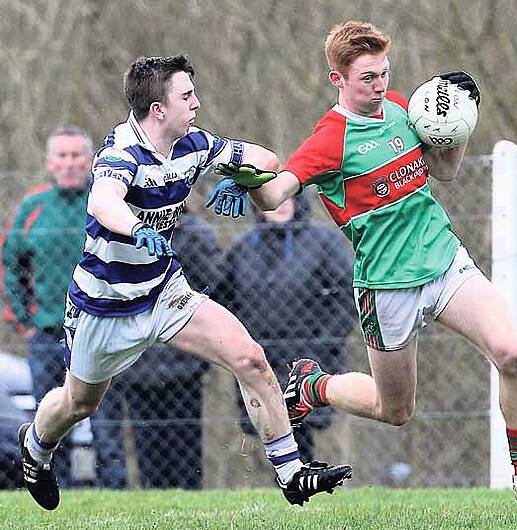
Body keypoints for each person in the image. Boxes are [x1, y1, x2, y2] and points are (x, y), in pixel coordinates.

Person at [209, 21, 517, 513]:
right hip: (387, 286)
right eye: (367, 78)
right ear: (337, 79)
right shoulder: (328, 141)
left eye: (384, 73)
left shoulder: (404, 108)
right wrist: (244, 174)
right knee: (394, 409)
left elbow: (445, 169)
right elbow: (274, 194)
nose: (380, 86)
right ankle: (316, 387)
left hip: (442, 260)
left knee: (510, 352)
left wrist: (463, 117)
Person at [16, 54, 351, 511]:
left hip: (164, 293)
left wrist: (241, 178)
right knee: (79, 404)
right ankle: (35, 449)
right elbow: (102, 203)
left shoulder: (193, 143)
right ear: (158, 109)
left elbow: (265, 158)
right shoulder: (120, 152)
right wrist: (135, 228)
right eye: (187, 95)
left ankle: (292, 475)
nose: (197, 102)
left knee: (250, 358)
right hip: (105, 306)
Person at [217, 193, 356, 462]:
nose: (280, 207)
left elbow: (345, 296)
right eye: (272, 201)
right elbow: (226, 300)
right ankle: (290, 481)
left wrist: (325, 340)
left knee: (304, 425)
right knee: (271, 427)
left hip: (311, 356)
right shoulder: (243, 247)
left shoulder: (324, 242)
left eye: (286, 199)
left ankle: (309, 480)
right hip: (259, 357)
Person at [91, 207, 218, 489]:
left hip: (183, 361)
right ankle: (154, 496)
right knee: (146, 445)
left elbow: (211, 285)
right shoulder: (115, 235)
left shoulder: (194, 234)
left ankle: (189, 497)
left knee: (185, 443)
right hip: (137, 360)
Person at [2, 126, 93, 487]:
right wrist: (26, 321)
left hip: (97, 330)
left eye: (76, 156)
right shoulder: (33, 208)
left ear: (89, 161)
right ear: (50, 162)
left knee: (104, 418)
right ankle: (56, 485)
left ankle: (113, 487)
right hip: (47, 334)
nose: (69, 163)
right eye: (62, 156)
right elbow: (10, 265)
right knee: (50, 415)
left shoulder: (104, 201)